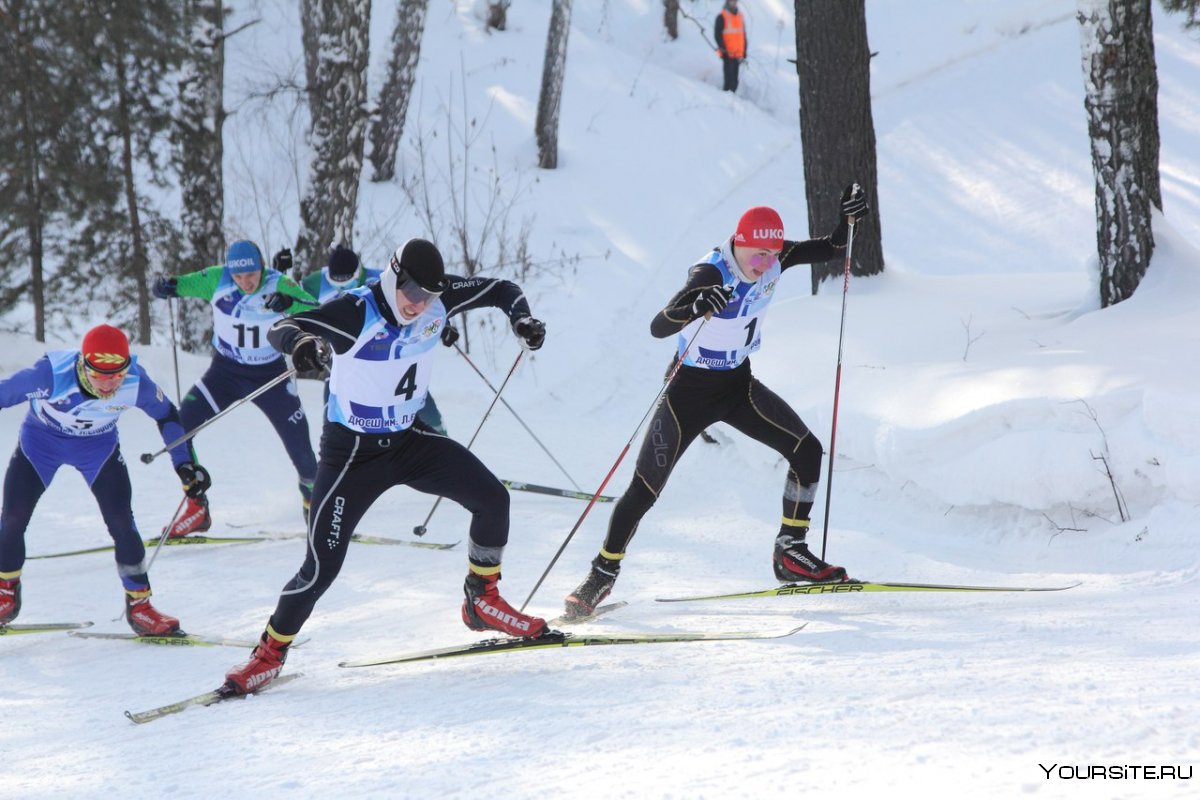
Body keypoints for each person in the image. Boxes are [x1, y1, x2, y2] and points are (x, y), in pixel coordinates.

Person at [222, 238, 549, 694]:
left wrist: (522, 319)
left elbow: (501, 288)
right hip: (352, 454)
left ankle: (481, 599)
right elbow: (282, 325)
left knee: (493, 498)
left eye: (430, 296)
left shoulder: (435, 299)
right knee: (321, 568)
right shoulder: (356, 311)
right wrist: (300, 345)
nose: (419, 305)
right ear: (395, 275)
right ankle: (269, 653)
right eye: (412, 292)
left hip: (408, 441)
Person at [564, 184, 871, 616]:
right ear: (738, 243)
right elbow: (658, 326)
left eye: (772, 255)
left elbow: (834, 246)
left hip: (737, 387)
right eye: (756, 255)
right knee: (644, 489)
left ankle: (790, 551)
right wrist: (694, 305)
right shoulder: (712, 272)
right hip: (687, 394)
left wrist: (848, 219)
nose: (765, 264)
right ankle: (600, 577)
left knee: (807, 450)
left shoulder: (775, 256)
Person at [0, 324, 211, 634]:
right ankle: (6, 593)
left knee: (122, 523)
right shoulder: (51, 374)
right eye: (98, 376)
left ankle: (140, 606)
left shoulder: (136, 382)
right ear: (84, 365)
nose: (108, 385)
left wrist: (185, 466)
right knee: (13, 519)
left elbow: (167, 415)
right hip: (41, 445)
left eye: (116, 377)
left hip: (97, 450)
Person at [151, 240, 320, 534]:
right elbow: (181, 284)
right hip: (225, 374)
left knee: (303, 454)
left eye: (251, 274)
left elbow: (316, 309)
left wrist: (289, 302)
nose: (245, 283)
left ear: (262, 267)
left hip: (271, 377)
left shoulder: (278, 283)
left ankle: (312, 501)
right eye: (238, 276)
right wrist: (166, 286)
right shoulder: (217, 278)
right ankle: (197, 508)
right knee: (179, 429)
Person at [275, 244, 449, 436]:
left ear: (357, 273)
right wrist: (284, 296)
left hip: (395, 355)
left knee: (423, 410)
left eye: (347, 280)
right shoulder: (315, 282)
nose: (341, 284)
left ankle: (441, 443)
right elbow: (301, 305)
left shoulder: (379, 279)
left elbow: (420, 303)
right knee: (336, 417)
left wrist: (444, 327)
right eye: (335, 281)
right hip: (342, 359)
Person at [715, 0, 746, 93]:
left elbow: (743, 36)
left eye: (735, 1)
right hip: (727, 54)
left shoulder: (740, 16)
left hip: (738, 54)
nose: (734, 3)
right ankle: (725, 99)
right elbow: (717, 34)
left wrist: (744, 52)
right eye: (732, 1)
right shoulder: (722, 16)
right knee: (728, 80)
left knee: (735, 81)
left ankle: (731, 100)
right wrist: (722, 47)